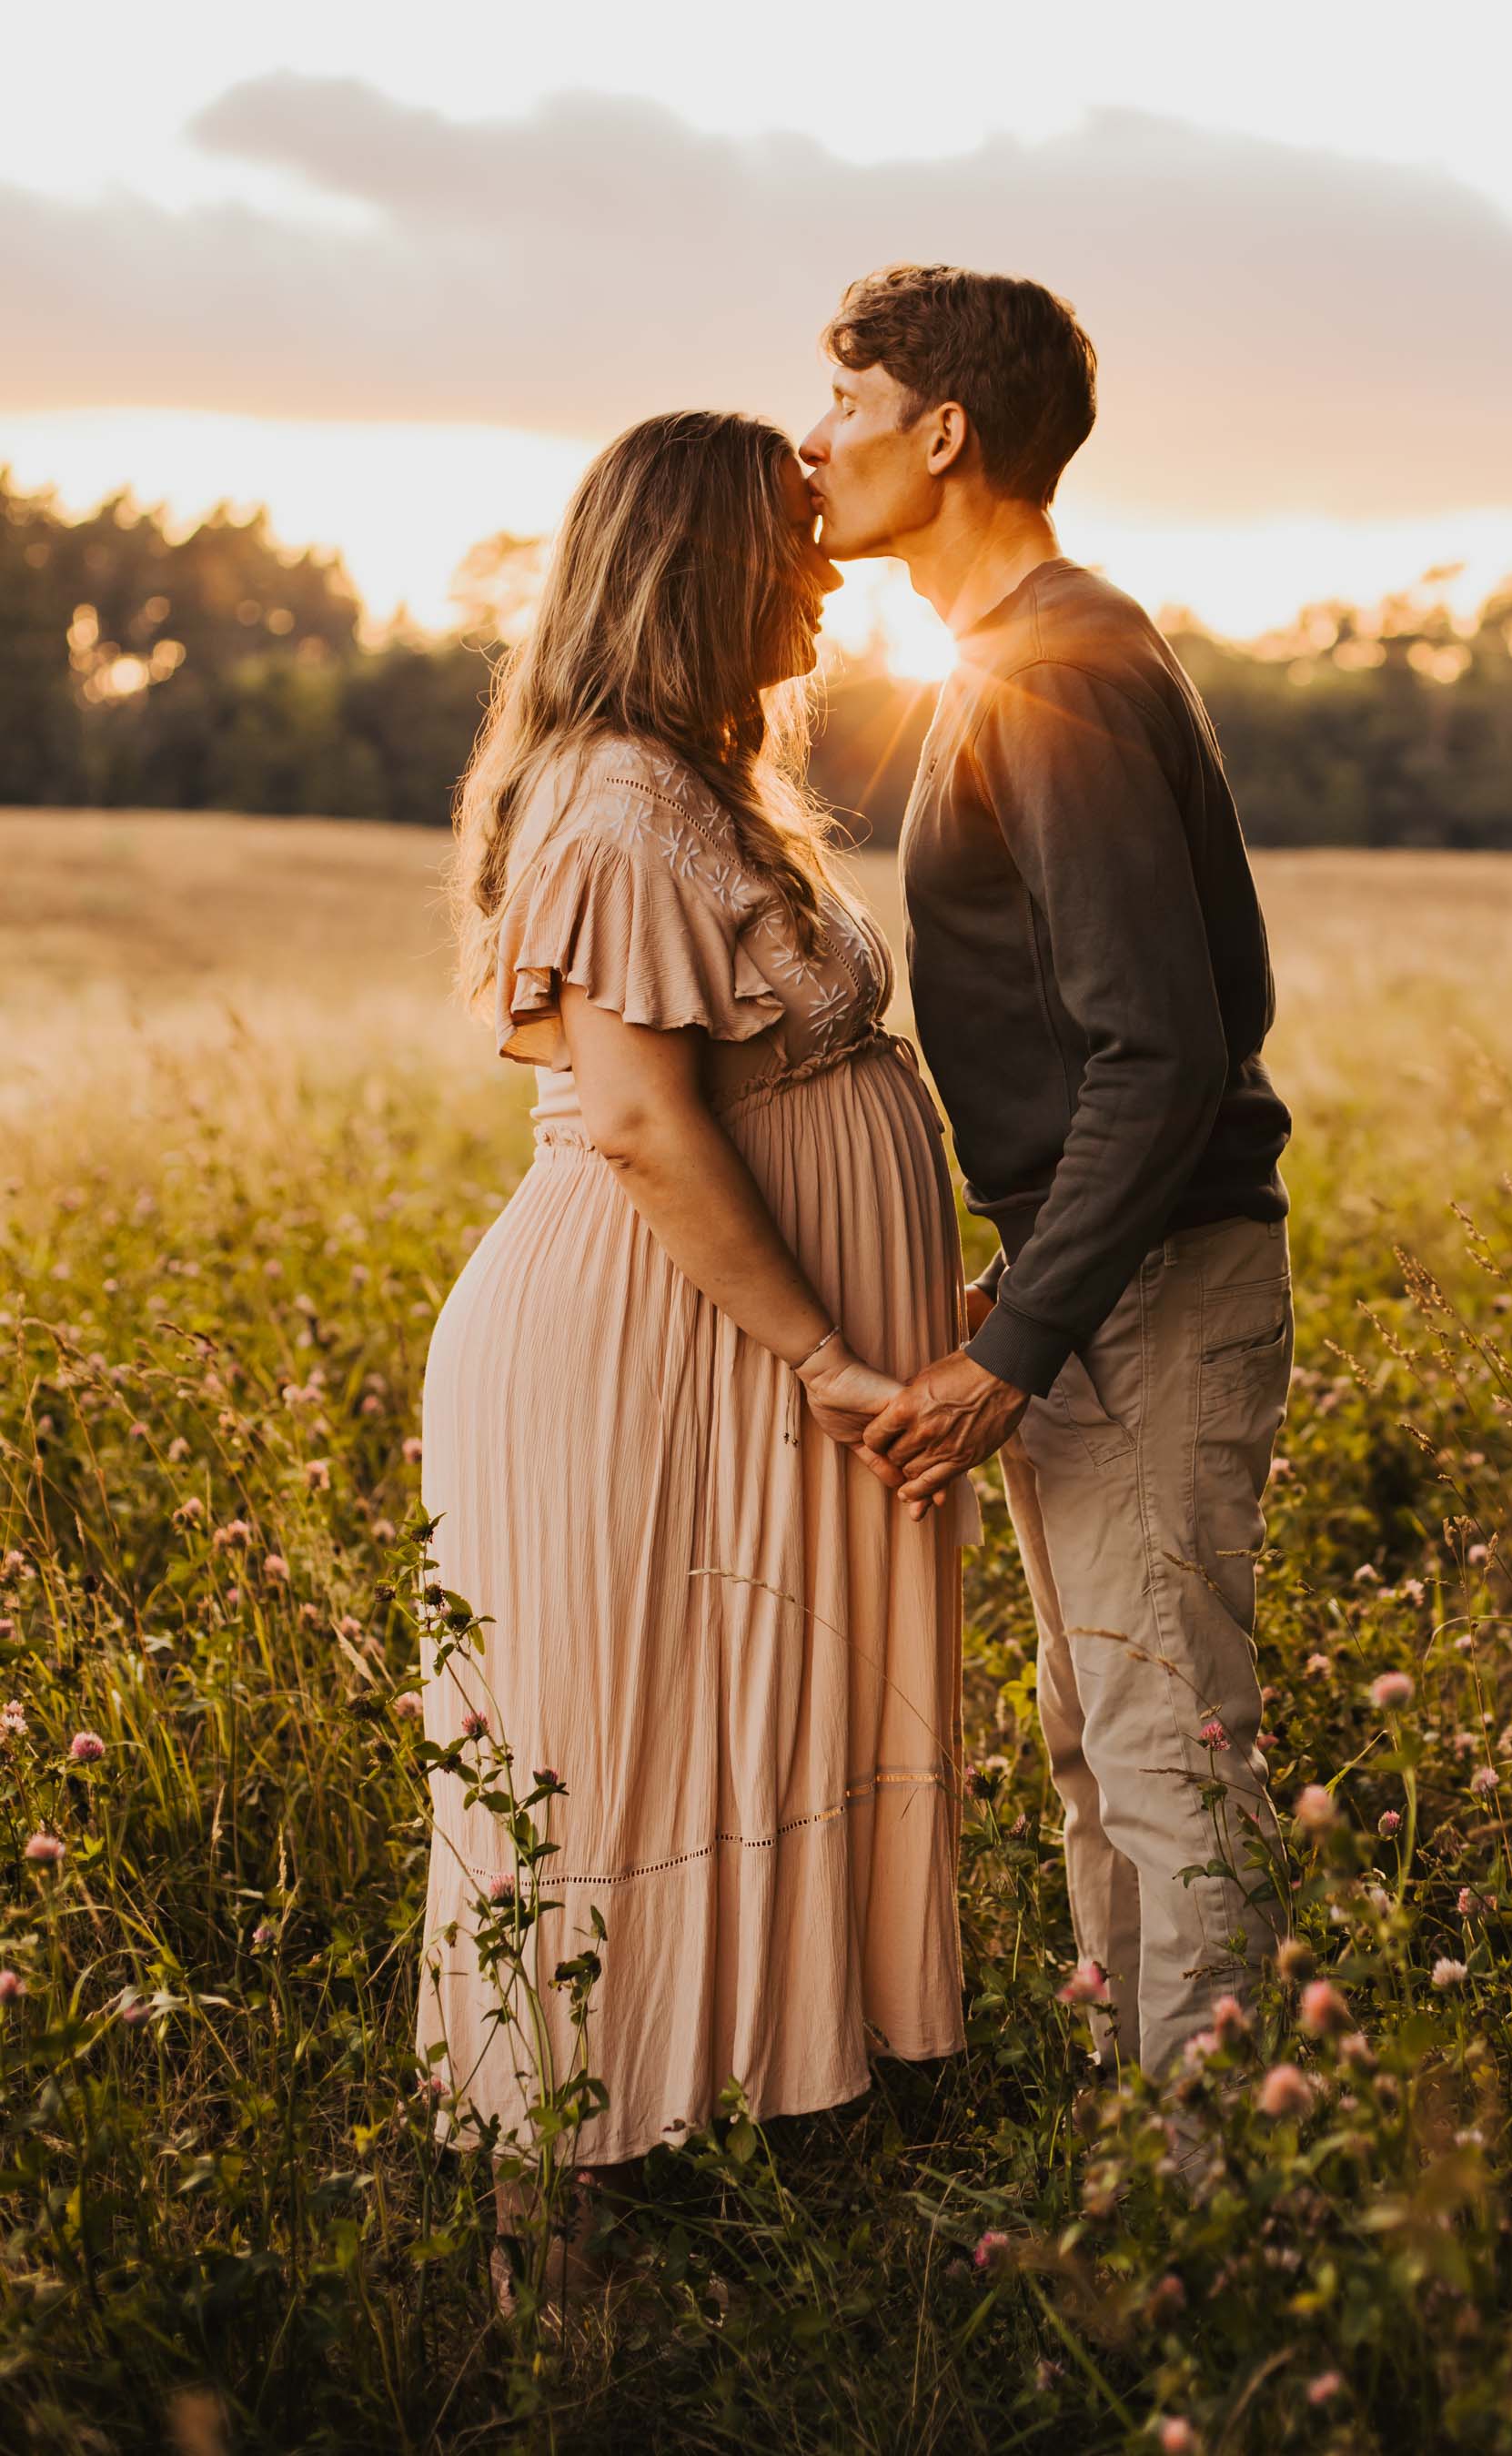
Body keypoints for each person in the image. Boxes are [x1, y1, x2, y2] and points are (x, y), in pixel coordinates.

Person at [416, 410, 969, 2280]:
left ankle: (741, 2197)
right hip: (645, 1357)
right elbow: (645, 1126)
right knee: (604, 1763)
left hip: (728, 1352)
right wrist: (824, 1356)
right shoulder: (614, 805)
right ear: (701, 566)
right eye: (794, 546)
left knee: (746, 1728)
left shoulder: (697, 788)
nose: (827, 573)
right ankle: (553, 2272)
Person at [801, 270, 1294, 2081]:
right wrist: (1022, 1294)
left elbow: (1162, 1046)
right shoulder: (1013, 653)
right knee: (1103, 1740)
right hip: (1090, 1277)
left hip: (1147, 1287)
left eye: (840, 401)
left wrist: (1014, 1340)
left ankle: (1216, 2207)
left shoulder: (1055, 668)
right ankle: (1146, 2155)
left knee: (1163, 1748)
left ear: (941, 435)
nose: (814, 440)